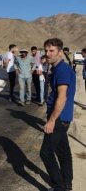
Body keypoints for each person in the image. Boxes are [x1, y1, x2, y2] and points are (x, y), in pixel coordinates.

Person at [40, 38, 76, 191]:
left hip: (59, 118)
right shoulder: (58, 68)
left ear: (60, 52)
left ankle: (59, 187)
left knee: (46, 153)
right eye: (46, 51)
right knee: (63, 153)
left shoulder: (62, 70)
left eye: (51, 51)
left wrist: (52, 120)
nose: (47, 54)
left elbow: (62, 96)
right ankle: (66, 184)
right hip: (63, 117)